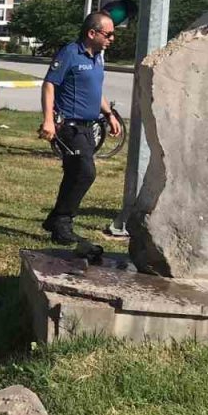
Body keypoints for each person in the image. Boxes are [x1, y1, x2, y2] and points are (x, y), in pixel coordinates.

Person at [39, 12, 122, 244]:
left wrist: (109, 114)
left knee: (75, 173)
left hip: (88, 127)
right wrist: (48, 120)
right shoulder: (70, 53)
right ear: (91, 33)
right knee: (85, 172)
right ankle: (62, 222)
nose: (112, 38)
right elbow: (49, 85)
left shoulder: (97, 57)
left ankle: (55, 218)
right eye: (109, 34)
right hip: (69, 126)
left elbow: (96, 90)